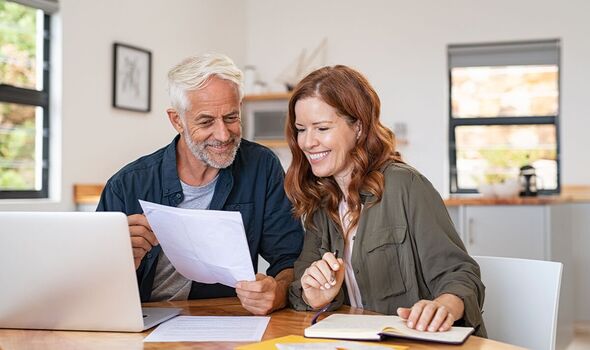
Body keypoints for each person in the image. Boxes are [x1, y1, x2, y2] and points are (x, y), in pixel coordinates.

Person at [285, 65, 486, 336]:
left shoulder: (406, 186)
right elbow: (299, 288)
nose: (307, 142)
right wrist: (316, 296)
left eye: (321, 128)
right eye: (301, 129)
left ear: (358, 127)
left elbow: (461, 275)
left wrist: (443, 306)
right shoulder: (322, 203)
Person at [97, 53, 303, 315]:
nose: (223, 134)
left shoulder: (261, 166)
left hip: (220, 319)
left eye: (231, 117)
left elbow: (290, 259)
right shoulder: (126, 184)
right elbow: (92, 283)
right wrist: (120, 259)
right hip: (141, 319)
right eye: (206, 122)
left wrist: (278, 291)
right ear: (176, 120)